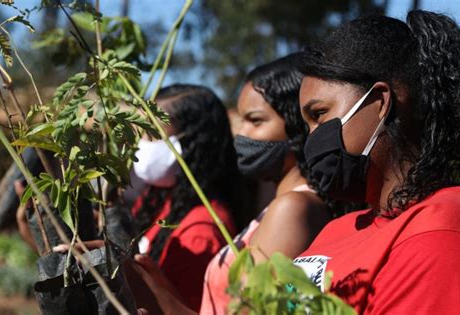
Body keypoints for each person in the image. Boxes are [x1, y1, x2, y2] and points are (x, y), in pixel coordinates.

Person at [294, 10, 460, 314]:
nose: (311, 138)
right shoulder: (341, 228)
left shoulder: (438, 234)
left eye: (319, 114)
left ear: (379, 102)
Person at [135, 54, 331, 314]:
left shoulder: (292, 208)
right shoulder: (280, 206)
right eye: (242, 121)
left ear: (299, 124)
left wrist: (144, 285)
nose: (242, 135)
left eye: (256, 121)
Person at [131, 84, 242, 311]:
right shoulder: (158, 200)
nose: (141, 145)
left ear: (192, 144)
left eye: (152, 134)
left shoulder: (201, 233)